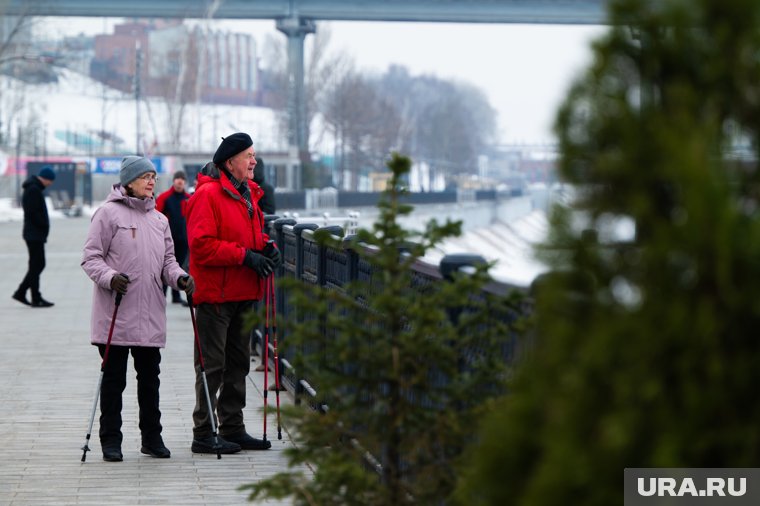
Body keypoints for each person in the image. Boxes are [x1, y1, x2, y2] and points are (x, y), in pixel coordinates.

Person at [81, 156, 195, 462]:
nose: (151, 182)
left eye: (154, 177)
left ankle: (151, 438)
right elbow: (91, 258)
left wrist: (180, 278)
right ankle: (110, 440)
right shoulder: (107, 214)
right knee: (114, 380)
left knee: (149, 380)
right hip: (115, 312)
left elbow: (167, 263)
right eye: (145, 176)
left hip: (149, 314)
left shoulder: (160, 221)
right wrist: (110, 277)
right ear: (128, 181)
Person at [184, 132, 282, 454]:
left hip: (243, 291)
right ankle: (204, 431)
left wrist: (267, 248)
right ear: (230, 162)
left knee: (238, 363)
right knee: (212, 365)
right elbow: (201, 246)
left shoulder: (248, 194)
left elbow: (250, 236)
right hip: (215, 295)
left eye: (254, 155)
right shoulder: (208, 195)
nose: (254, 161)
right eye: (248, 156)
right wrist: (245, 256)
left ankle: (232, 427)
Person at [12, 166, 56, 307]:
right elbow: (32, 212)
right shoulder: (33, 189)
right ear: (45, 178)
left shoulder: (34, 188)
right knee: (38, 264)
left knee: (36, 265)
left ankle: (30, 295)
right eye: (50, 181)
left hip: (34, 233)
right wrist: (43, 224)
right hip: (34, 234)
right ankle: (25, 293)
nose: (50, 184)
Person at [156, 170, 191, 305]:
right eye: (178, 179)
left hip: (183, 239)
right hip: (167, 239)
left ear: (184, 182)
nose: (180, 182)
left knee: (179, 267)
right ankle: (162, 294)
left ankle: (176, 295)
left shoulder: (188, 198)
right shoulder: (165, 197)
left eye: (182, 180)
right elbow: (157, 216)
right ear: (174, 181)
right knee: (165, 266)